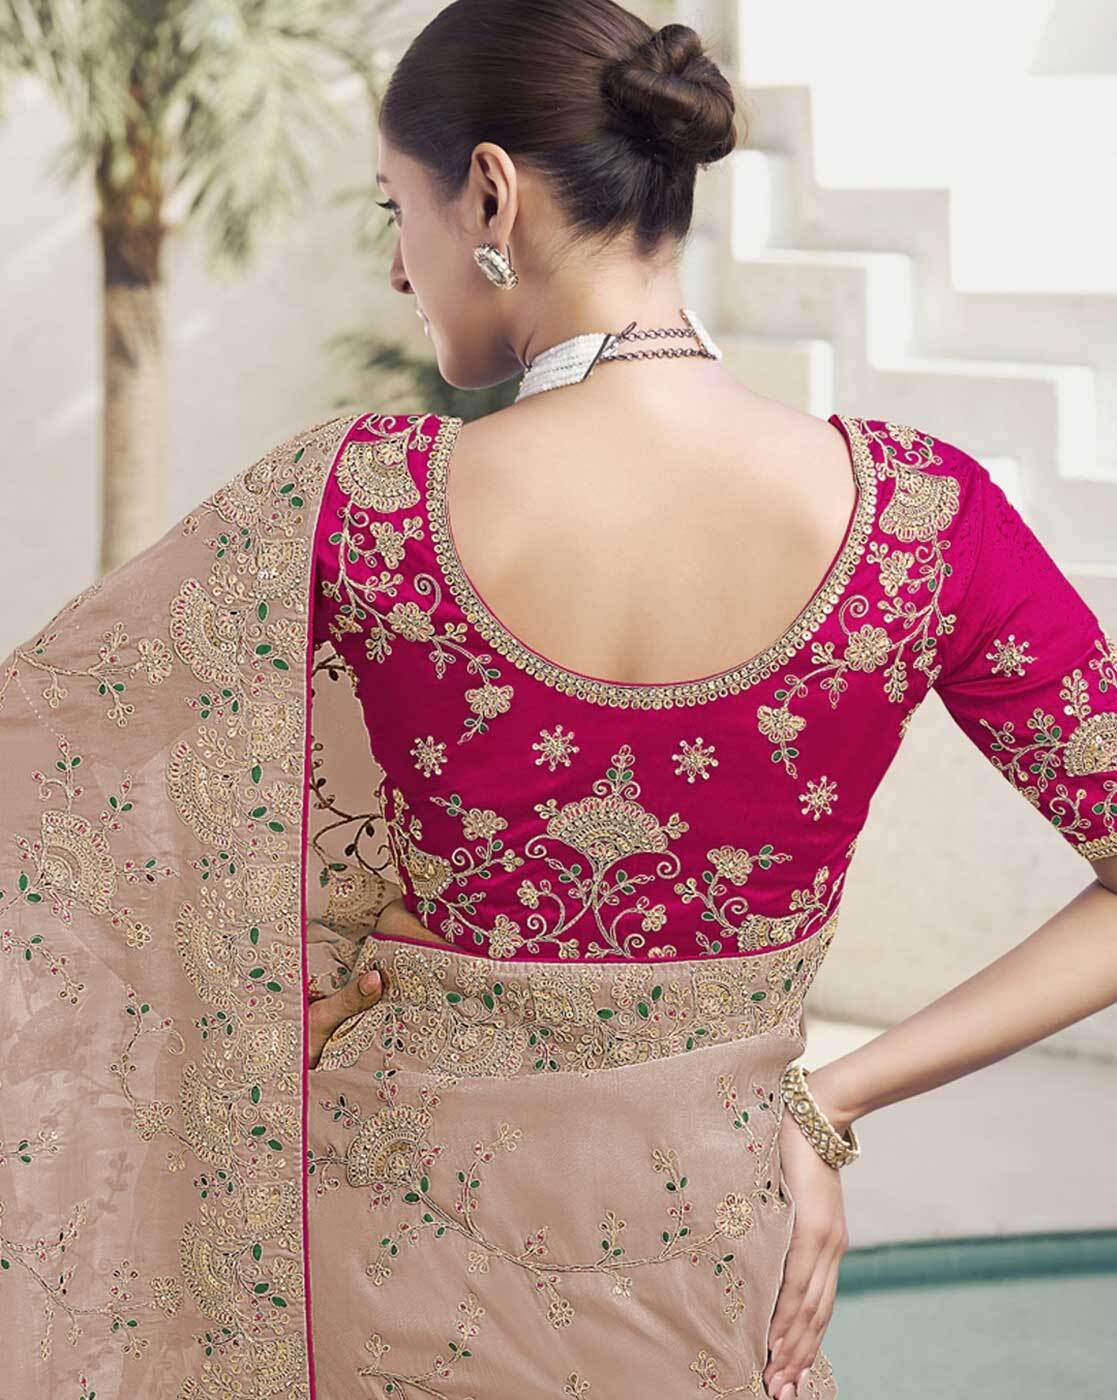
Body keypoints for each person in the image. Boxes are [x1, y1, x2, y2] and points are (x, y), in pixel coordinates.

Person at [3, 4, 1116, 1400]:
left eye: (394, 210)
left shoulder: (358, 505)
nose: (398, 270)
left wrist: (266, 999)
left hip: (384, 1251)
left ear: (489, 193)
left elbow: (45, 793)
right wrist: (827, 1099)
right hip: (714, 1257)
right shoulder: (920, 520)